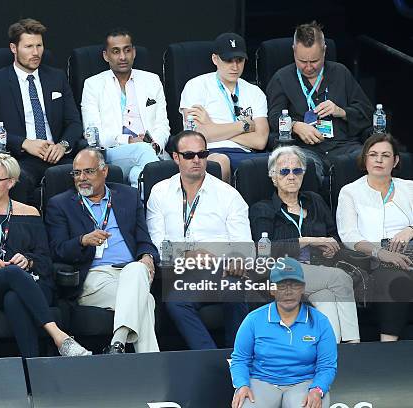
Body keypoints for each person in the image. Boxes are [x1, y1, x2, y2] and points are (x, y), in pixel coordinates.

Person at [0, 153, 90, 357]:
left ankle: (32, 370)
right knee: (12, 274)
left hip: (31, 283)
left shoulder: (30, 212)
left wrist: (29, 260)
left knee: (14, 298)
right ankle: (60, 337)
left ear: (11, 183)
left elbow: (45, 257)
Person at [45, 148, 160, 353]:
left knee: (136, 270)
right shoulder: (60, 204)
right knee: (146, 301)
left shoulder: (128, 196)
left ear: (104, 171)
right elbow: (57, 250)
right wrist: (82, 241)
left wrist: (147, 257)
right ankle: (134, 351)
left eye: (88, 172)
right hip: (93, 278)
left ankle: (118, 345)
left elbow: (144, 240)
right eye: (77, 173)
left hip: (131, 273)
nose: (82, 178)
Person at [146, 130, 250, 349]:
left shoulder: (228, 194)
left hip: (220, 270)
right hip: (179, 271)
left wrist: (235, 259)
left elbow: (243, 246)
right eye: (189, 155)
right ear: (175, 157)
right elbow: (156, 243)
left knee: (235, 288)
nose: (196, 160)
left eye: (202, 154)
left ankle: (238, 358)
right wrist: (186, 255)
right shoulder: (159, 192)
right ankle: (210, 357)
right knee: (175, 301)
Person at [249, 145, 360, 343]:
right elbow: (264, 250)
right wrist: (309, 241)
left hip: (318, 272)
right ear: (273, 176)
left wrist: (330, 248)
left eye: (297, 170)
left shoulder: (314, 201)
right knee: (341, 278)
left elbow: (333, 235)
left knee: (327, 299)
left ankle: (330, 353)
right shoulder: (263, 209)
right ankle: (354, 344)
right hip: (281, 271)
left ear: (303, 174)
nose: (291, 176)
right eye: (284, 171)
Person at [0, 18, 84, 192]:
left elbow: (74, 122)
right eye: (29, 47)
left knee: (81, 175)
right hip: (19, 158)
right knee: (18, 180)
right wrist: (24, 143)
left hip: (57, 155)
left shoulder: (56, 78)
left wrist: (62, 145)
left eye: (39, 46)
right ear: (14, 48)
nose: (36, 52)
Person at [266, 21, 373, 183]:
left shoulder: (340, 73)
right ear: (294, 51)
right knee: (303, 168)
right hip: (304, 149)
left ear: (324, 51)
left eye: (314, 61)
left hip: (344, 145)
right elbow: (273, 117)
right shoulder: (282, 78)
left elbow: (367, 112)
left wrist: (342, 111)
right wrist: (295, 126)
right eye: (302, 61)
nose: (308, 67)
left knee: (371, 162)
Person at [230, 257, 337, 408]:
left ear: (302, 288)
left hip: (303, 383)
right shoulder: (254, 319)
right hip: (262, 382)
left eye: (294, 285)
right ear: (272, 289)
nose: (288, 292)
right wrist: (242, 385)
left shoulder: (320, 321)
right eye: (281, 286)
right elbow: (240, 359)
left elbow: (327, 366)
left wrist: (317, 389)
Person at [337, 133, 413, 342]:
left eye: (385, 155)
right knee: (397, 276)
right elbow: (349, 235)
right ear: (365, 159)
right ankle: (387, 347)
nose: (379, 160)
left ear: (395, 160)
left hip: (409, 249)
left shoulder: (409, 188)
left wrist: (410, 229)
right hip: (371, 257)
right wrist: (382, 253)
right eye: (373, 155)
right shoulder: (350, 192)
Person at [81, 27, 169, 187]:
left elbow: (162, 124)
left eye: (127, 50)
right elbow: (92, 131)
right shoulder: (93, 85)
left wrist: (155, 145)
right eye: (115, 51)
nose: (122, 57)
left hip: (152, 149)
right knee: (143, 152)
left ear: (134, 52)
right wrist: (129, 140)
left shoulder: (152, 80)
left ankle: (138, 209)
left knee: (138, 174)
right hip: (112, 152)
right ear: (106, 56)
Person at [180, 32, 269, 182]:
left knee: (285, 158)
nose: (234, 67)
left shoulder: (255, 92)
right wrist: (244, 125)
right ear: (215, 59)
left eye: (239, 60)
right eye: (228, 60)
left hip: (247, 153)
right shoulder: (196, 85)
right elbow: (198, 135)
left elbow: (260, 141)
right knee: (220, 162)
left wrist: (214, 128)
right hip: (210, 151)